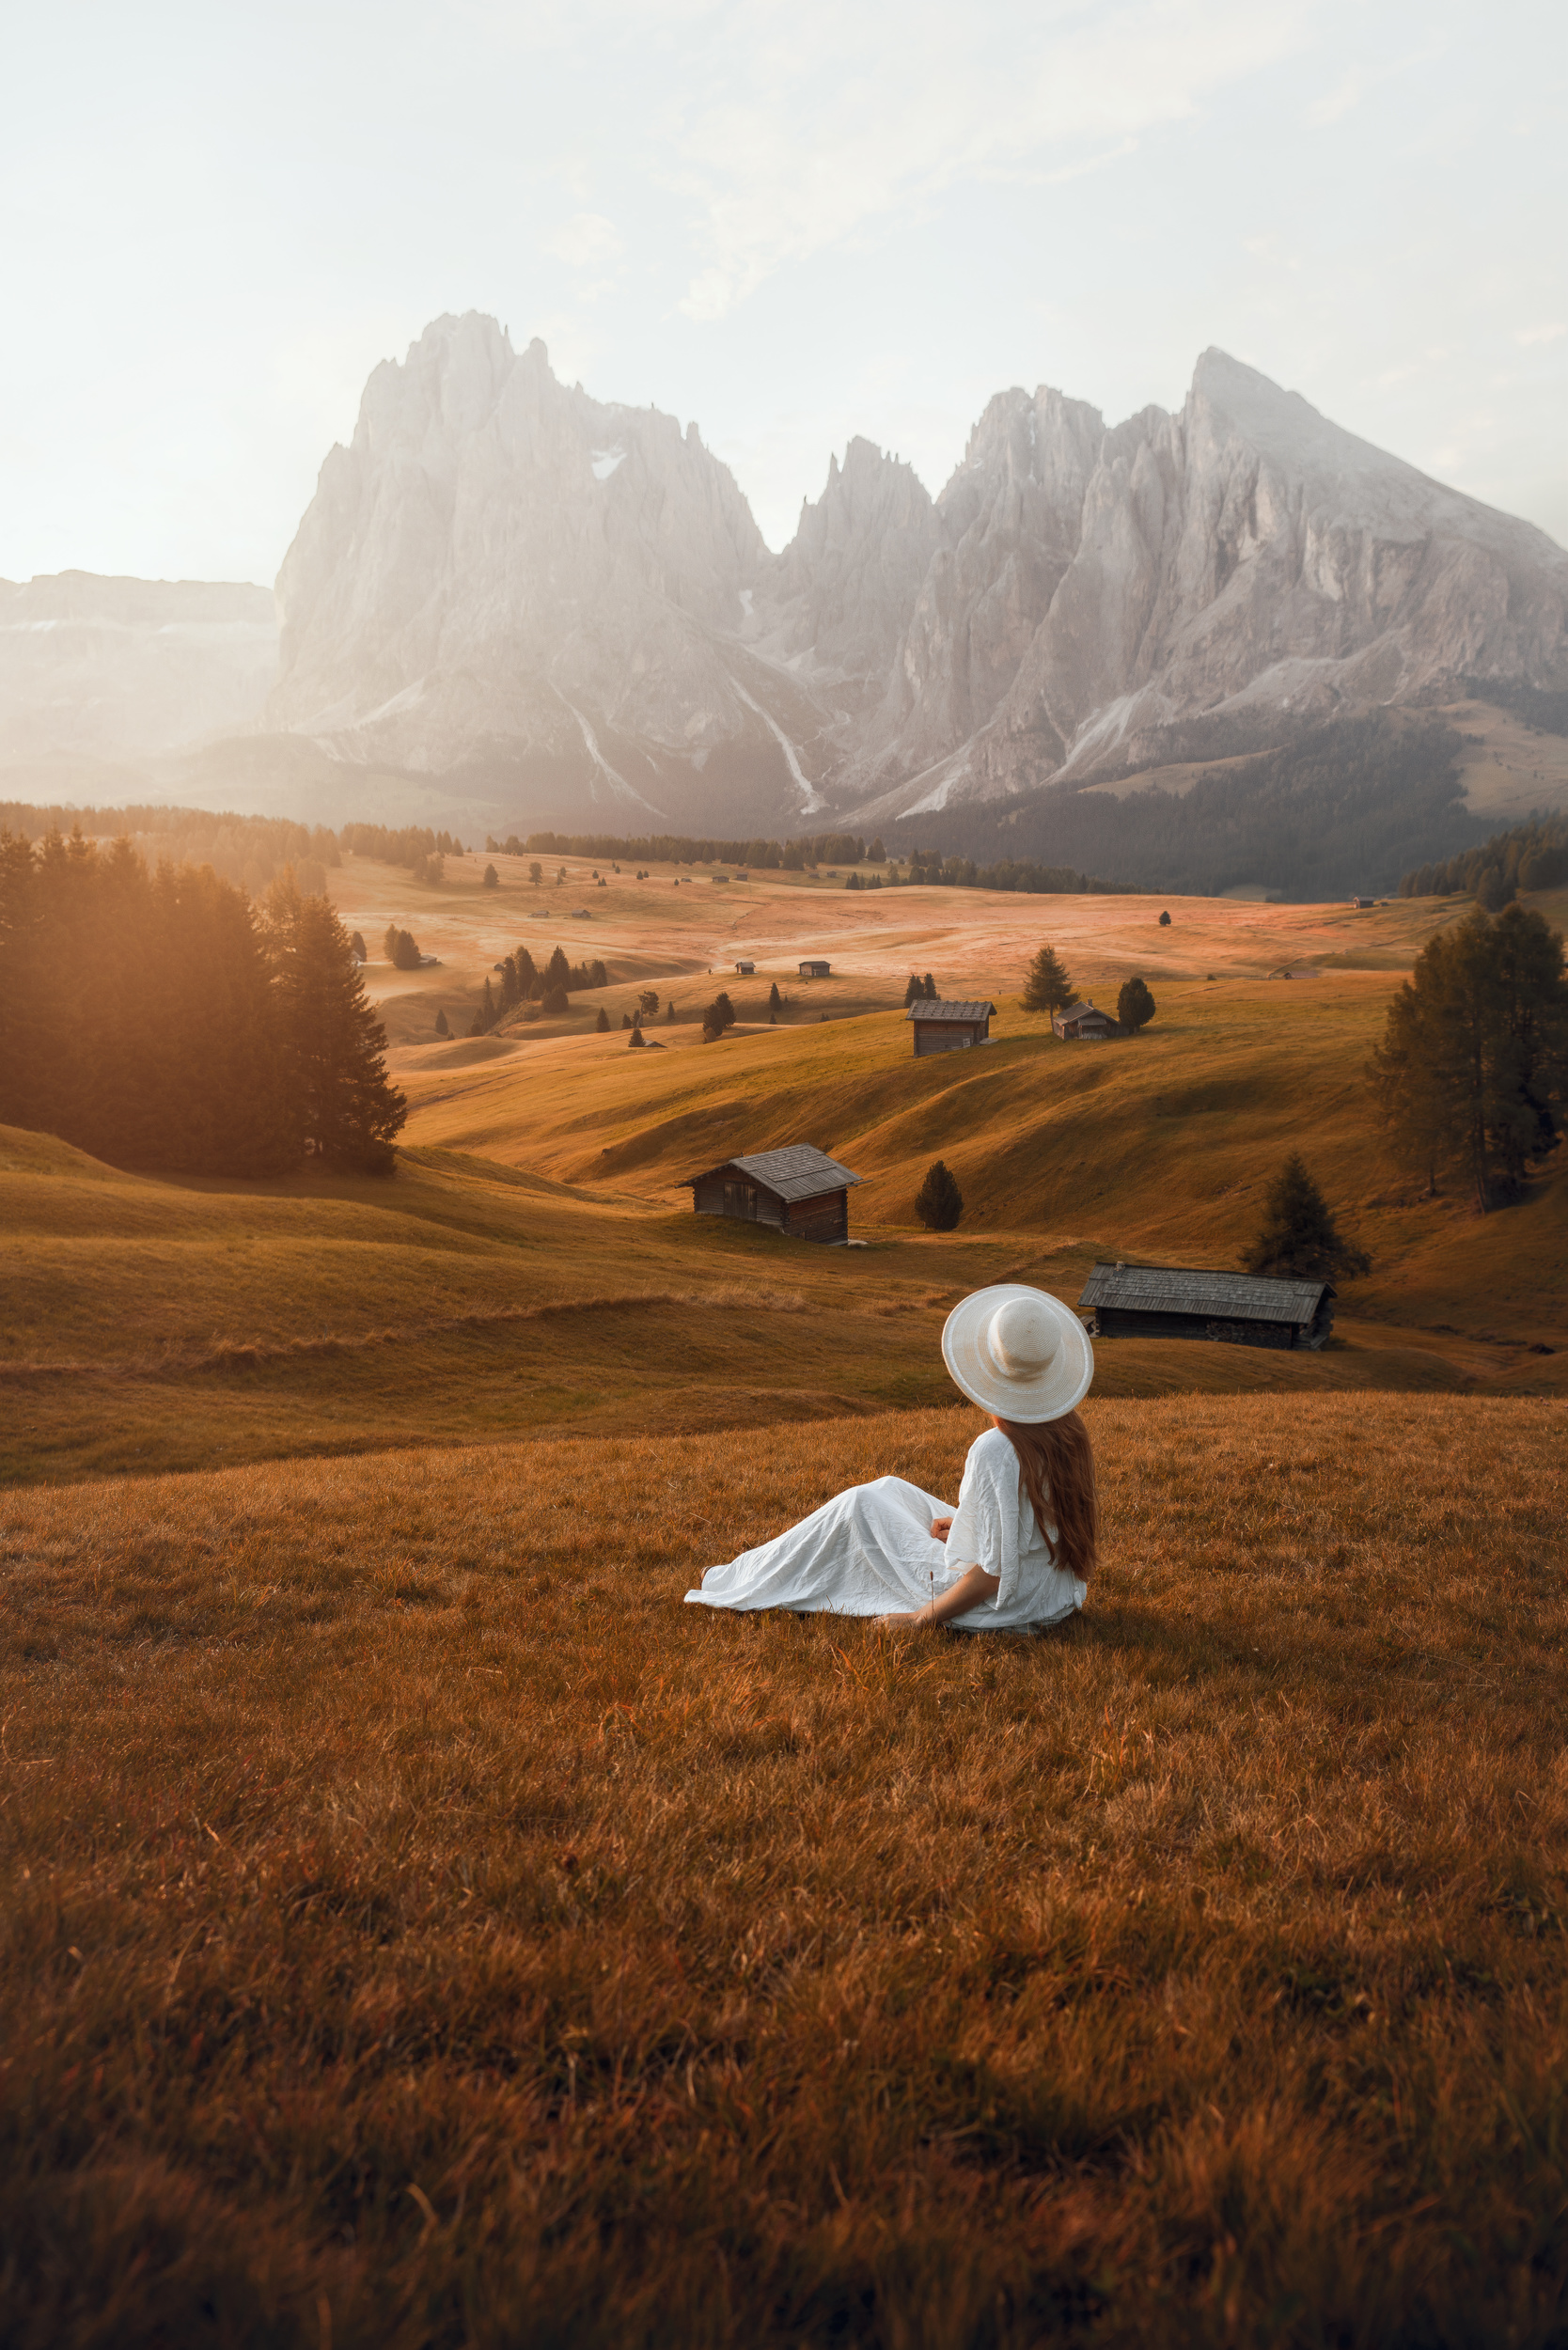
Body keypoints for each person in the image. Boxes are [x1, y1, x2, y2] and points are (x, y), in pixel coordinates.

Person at [685, 1285, 1096, 1632]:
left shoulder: (996, 1449)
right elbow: (1034, 1520)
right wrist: (967, 1530)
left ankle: (735, 1580)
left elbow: (992, 1576)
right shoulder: (1069, 1429)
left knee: (858, 1506)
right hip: (1053, 1591)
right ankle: (741, 1572)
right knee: (891, 1490)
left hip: (1010, 1603)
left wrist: (918, 1620)